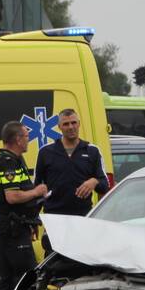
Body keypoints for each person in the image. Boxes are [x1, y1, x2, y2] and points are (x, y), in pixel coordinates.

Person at [0, 121, 47, 290]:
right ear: (16, 139)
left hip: (15, 225)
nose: (28, 139)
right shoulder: (7, 162)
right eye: (25, 135)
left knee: (7, 279)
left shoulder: (12, 160)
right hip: (12, 229)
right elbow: (12, 197)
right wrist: (38, 191)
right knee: (29, 277)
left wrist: (31, 219)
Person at [34, 108, 110, 255]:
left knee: (81, 262)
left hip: (82, 218)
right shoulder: (45, 152)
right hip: (55, 219)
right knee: (53, 265)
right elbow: (36, 189)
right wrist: (34, 220)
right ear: (59, 127)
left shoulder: (92, 151)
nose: (71, 127)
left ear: (79, 124)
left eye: (74, 123)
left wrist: (93, 181)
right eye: (66, 124)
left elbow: (104, 184)